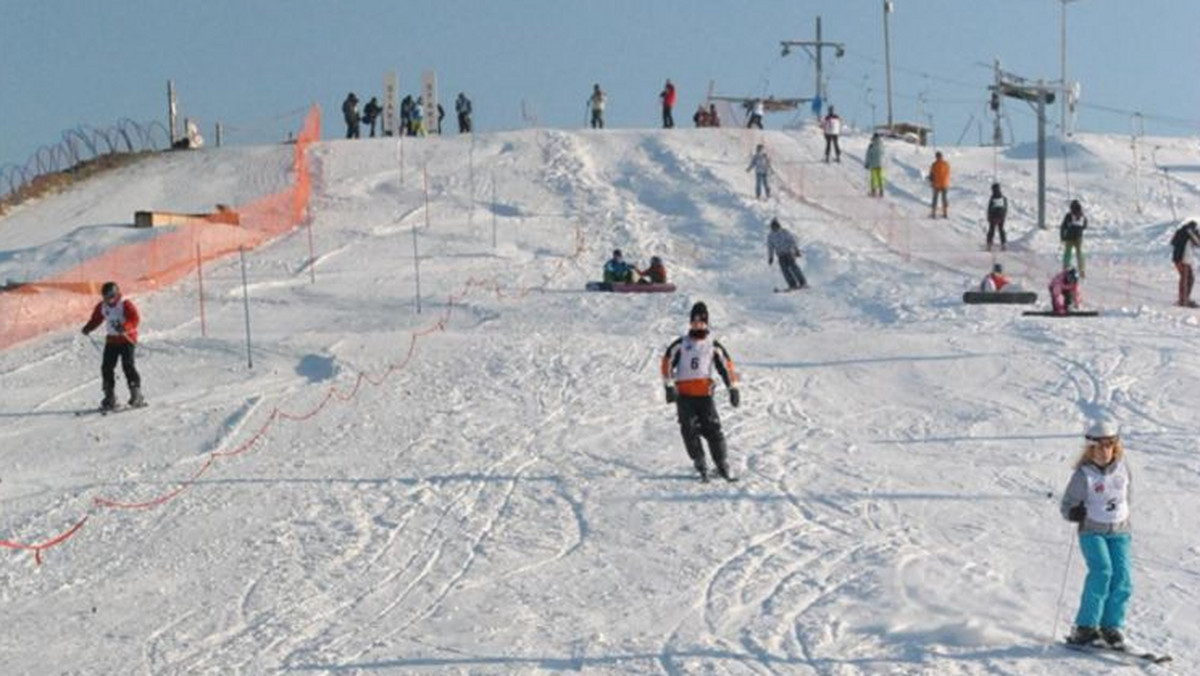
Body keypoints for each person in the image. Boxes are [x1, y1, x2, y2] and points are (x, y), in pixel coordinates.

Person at [1061, 420, 1132, 649]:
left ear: (1115, 446)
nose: (1104, 451)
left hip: (1120, 531)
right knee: (1102, 572)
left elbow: (1126, 496)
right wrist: (1074, 511)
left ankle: (1111, 627)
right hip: (1092, 531)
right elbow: (1067, 504)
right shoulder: (1084, 475)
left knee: (1122, 578)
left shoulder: (1123, 468)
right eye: (1099, 446)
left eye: (1109, 444)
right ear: (1090, 449)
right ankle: (1085, 627)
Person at [661, 302, 740, 482]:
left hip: (704, 395)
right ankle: (700, 461)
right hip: (684, 396)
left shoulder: (713, 346)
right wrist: (669, 386)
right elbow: (667, 362)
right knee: (688, 429)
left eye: (701, 321)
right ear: (690, 323)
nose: (698, 324)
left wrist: (733, 388)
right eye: (694, 321)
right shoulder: (681, 344)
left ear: (706, 323)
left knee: (713, 429)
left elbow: (727, 367)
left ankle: (721, 464)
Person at [81, 282, 144, 410]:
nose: (109, 300)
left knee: (128, 365)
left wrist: (125, 327)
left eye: (111, 297)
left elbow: (135, 319)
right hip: (112, 341)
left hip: (127, 339)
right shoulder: (102, 306)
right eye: (106, 297)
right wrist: (88, 327)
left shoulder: (125, 304)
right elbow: (97, 319)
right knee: (107, 367)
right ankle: (110, 396)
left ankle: (136, 394)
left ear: (117, 295)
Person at [767, 218, 807, 290]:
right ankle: (792, 284)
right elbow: (770, 247)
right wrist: (771, 257)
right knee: (785, 270)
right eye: (773, 227)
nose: (775, 228)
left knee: (793, 267)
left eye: (776, 226)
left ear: (778, 225)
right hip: (780, 255)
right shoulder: (770, 236)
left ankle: (802, 282)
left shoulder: (784, 232)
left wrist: (796, 250)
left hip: (788, 253)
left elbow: (792, 241)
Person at [1170, 219, 1200, 307]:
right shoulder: (1189, 233)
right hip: (1183, 259)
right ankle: (1184, 301)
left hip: (1179, 259)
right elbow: (1198, 243)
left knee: (1187, 278)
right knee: (1186, 278)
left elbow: (1172, 242)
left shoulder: (1181, 232)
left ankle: (1184, 299)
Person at [1060, 199, 1088, 277]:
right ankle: (1066, 267)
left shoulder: (1082, 217)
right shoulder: (1069, 216)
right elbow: (1063, 226)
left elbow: (1085, 226)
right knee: (1069, 253)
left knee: (1078, 253)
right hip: (1070, 238)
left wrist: (1062, 236)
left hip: (1077, 238)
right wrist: (1062, 236)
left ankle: (1081, 269)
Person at [986, 183, 1008, 251]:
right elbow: (1005, 208)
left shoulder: (992, 198)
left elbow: (989, 208)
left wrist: (989, 216)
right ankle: (1003, 244)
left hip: (993, 217)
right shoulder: (1003, 198)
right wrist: (1003, 216)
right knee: (1001, 230)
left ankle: (989, 244)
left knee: (991, 230)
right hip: (1001, 217)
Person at [929, 151, 950, 218]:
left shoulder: (934, 164)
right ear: (942, 156)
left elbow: (931, 175)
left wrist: (931, 181)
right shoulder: (946, 164)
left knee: (935, 198)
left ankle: (933, 213)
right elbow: (948, 173)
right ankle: (945, 213)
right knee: (944, 199)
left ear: (936, 157)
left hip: (936, 184)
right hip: (945, 184)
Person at [864, 133, 885, 198]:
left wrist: (867, 164)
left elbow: (868, 155)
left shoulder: (871, 146)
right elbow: (883, 153)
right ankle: (881, 191)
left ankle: (873, 191)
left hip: (873, 164)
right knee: (880, 177)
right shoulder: (882, 145)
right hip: (881, 164)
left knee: (873, 178)